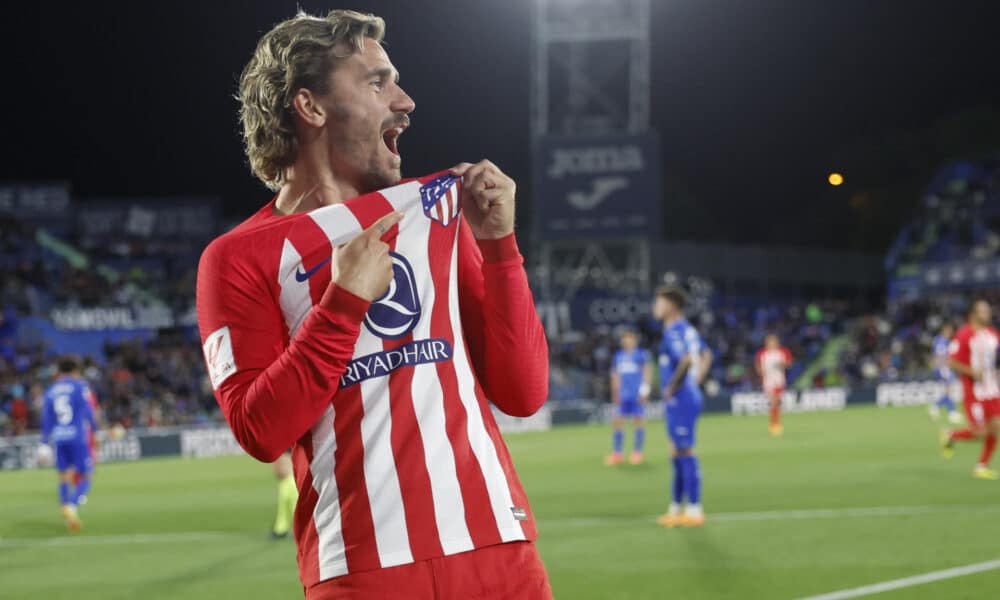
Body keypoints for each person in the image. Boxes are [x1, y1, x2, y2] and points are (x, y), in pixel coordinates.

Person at [196, 10, 551, 598]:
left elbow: (523, 391)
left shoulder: (434, 215)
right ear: (310, 107)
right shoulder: (238, 258)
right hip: (361, 570)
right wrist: (341, 305)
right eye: (378, 82)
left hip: (499, 551)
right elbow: (260, 431)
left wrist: (500, 249)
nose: (406, 101)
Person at [653, 287, 712, 528]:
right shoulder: (685, 329)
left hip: (681, 397)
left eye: (658, 302)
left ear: (670, 306)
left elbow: (688, 359)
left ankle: (695, 510)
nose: (655, 307)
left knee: (685, 451)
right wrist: (696, 379)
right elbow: (706, 354)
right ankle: (676, 508)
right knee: (675, 451)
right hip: (684, 394)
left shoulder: (676, 330)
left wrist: (674, 386)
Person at [942, 299, 1000, 480]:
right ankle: (950, 434)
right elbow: (951, 361)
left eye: (988, 310)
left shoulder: (992, 334)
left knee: (997, 426)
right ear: (973, 314)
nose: (987, 314)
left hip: (992, 389)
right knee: (981, 431)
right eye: (983, 311)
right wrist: (971, 371)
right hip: (974, 391)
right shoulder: (964, 335)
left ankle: (981, 466)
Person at [39, 356, 97, 532]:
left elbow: (47, 418)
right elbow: (88, 411)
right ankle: (71, 506)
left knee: (64, 477)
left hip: (59, 437)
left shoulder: (51, 390)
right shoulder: (79, 386)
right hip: (77, 436)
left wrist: (43, 443)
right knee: (85, 477)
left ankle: (67, 511)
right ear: (75, 371)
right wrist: (95, 431)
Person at [605, 329, 652, 466]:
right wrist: (615, 393)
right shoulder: (618, 356)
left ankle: (637, 453)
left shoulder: (641, 355)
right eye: (625, 337)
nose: (627, 340)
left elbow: (647, 372)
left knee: (638, 421)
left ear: (635, 339)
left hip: (636, 394)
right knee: (618, 422)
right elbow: (615, 375)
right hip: (622, 395)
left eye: (630, 337)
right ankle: (617, 454)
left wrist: (645, 390)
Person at [755, 334, 792, 436]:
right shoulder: (762, 353)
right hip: (768, 380)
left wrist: (781, 364)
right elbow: (758, 366)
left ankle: (775, 424)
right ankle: (775, 423)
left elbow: (788, 364)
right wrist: (760, 371)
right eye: (770, 341)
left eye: (773, 341)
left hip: (779, 379)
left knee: (775, 401)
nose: (772, 343)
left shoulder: (783, 351)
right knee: (774, 402)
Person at [928, 323, 962, 424]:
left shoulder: (939, 340)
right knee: (948, 390)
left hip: (942, 368)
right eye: (948, 330)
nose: (950, 332)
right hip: (943, 368)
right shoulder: (942, 341)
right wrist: (942, 369)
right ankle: (950, 412)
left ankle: (939, 408)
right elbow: (940, 356)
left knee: (948, 391)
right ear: (944, 329)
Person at [271, 452, 299, 539]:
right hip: (285, 481)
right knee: (283, 508)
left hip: (291, 480)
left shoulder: (287, 448)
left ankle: (304, 530)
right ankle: (280, 530)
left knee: (296, 509)